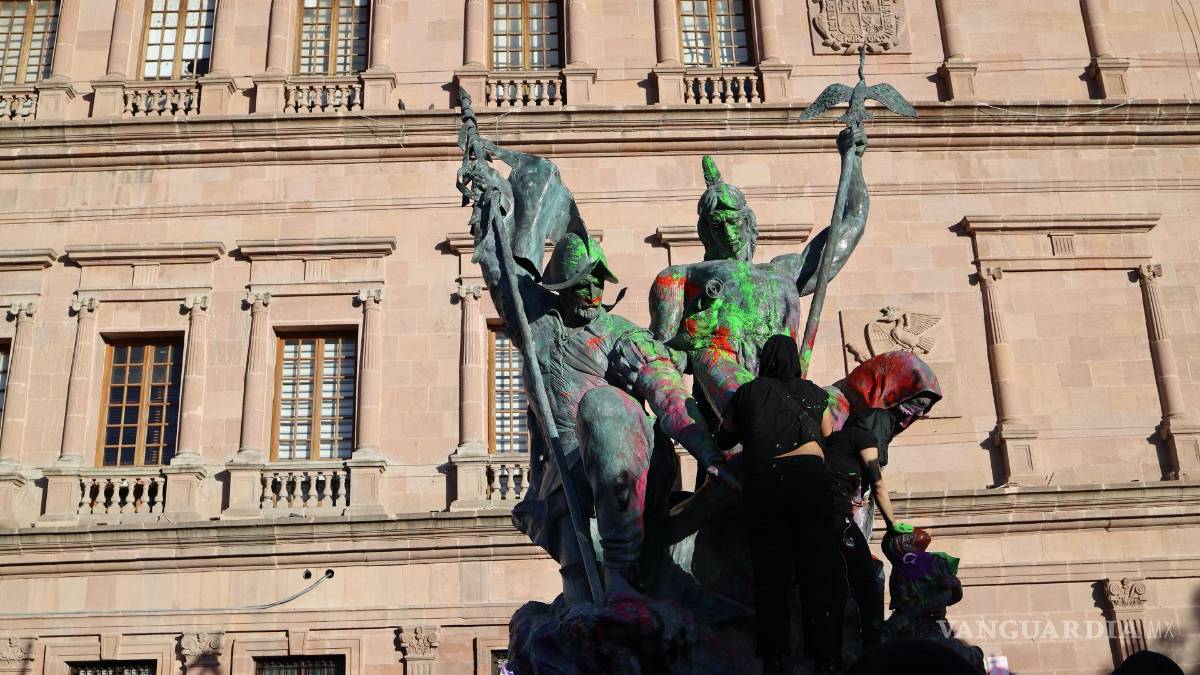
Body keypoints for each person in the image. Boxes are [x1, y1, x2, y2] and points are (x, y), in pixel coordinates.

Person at [720, 334, 838, 674]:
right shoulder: (816, 393)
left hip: (767, 480)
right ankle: (824, 654)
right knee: (816, 567)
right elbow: (828, 433)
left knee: (771, 571)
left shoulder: (748, 392)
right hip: (810, 479)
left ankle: (773, 657)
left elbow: (725, 435)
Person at [824, 353, 942, 654]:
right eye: (916, 402)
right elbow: (876, 483)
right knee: (866, 577)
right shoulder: (868, 426)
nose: (917, 413)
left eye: (923, 407)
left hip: (848, 512)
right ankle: (867, 648)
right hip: (837, 515)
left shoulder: (874, 426)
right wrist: (892, 524)